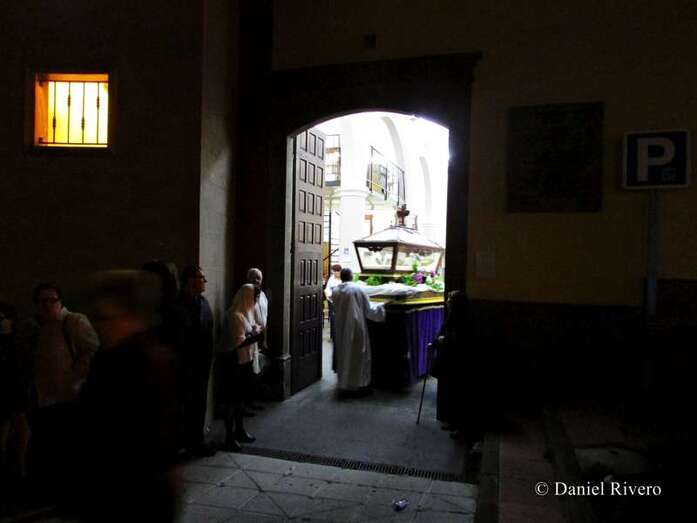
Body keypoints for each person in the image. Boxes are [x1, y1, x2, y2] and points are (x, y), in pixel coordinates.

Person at [79, 270, 178, 521]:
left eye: (103, 316)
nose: (97, 324)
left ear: (128, 314)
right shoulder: (109, 355)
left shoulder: (144, 361)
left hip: (132, 492)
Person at [18, 283, 99, 501]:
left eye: (51, 300)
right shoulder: (38, 328)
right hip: (44, 397)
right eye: (41, 301)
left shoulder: (73, 322)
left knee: (65, 445)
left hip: (68, 396)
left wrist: (75, 377)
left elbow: (91, 350)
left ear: (60, 302)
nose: (46, 305)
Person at [171, 265, 216, 457]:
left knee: (199, 404)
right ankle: (181, 443)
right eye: (201, 277)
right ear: (190, 280)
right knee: (183, 406)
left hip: (202, 365)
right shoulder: (176, 307)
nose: (205, 281)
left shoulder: (204, 303)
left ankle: (196, 441)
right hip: (184, 366)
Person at [331, 268, 386, 394]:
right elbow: (369, 309)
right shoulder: (358, 289)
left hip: (341, 327)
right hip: (356, 327)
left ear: (341, 277)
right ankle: (360, 385)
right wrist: (382, 305)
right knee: (359, 355)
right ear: (351, 276)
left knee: (344, 355)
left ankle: (344, 383)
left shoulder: (336, 290)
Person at [221, 284, 261, 450]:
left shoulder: (245, 314)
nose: (256, 301)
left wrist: (253, 331)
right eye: (254, 297)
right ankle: (229, 437)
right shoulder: (235, 315)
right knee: (232, 401)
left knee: (240, 400)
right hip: (234, 363)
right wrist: (256, 334)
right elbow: (239, 342)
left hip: (244, 361)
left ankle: (240, 430)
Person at [0, 302, 31, 482]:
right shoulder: (15, 342)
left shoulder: (19, 342)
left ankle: (19, 467)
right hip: (8, 391)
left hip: (16, 390)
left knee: (19, 425)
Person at [324, 264, 342, 345]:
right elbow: (327, 289)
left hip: (341, 302)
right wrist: (328, 297)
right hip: (332, 302)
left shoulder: (343, 279)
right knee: (333, 319)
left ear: (340, 271)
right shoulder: (331, 278)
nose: (335, 273)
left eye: (336, 272)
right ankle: (333, 337)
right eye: (334, 272)